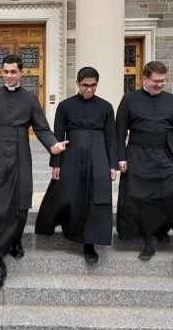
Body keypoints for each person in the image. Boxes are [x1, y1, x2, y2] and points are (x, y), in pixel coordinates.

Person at [0, 54, 68, 288]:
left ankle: (15, 239)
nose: (9, 76)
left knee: (19, 200)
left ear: (21, 73)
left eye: (13, 72)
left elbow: (42, 128)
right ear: (2, 73)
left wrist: (53, 145)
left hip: (21, 148)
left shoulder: (30, 98)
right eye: (5, 72)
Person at [35, 66, 117, 263]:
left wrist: (112, 164)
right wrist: (56, 164)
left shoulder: (106, 107)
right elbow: (58, 136)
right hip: (71, 155)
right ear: (77, 84)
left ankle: (90, 243)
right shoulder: (65, 106)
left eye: (93, 86)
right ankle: (66, 229)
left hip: (98, 156)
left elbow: (111, 138)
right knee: (69, 194)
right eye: (85, 85)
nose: (89, 90)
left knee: (94, 199)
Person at [116, 60, 173, 261]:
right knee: (144, 199)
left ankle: (162, 227)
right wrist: (120, 158)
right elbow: (119, 132)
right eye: (156, 81)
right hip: (138, 155)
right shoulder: (129, 99)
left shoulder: (172, 100)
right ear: (144, 78)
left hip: (166, 154)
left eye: (163, 81)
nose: (160, 85)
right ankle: (148, 239)